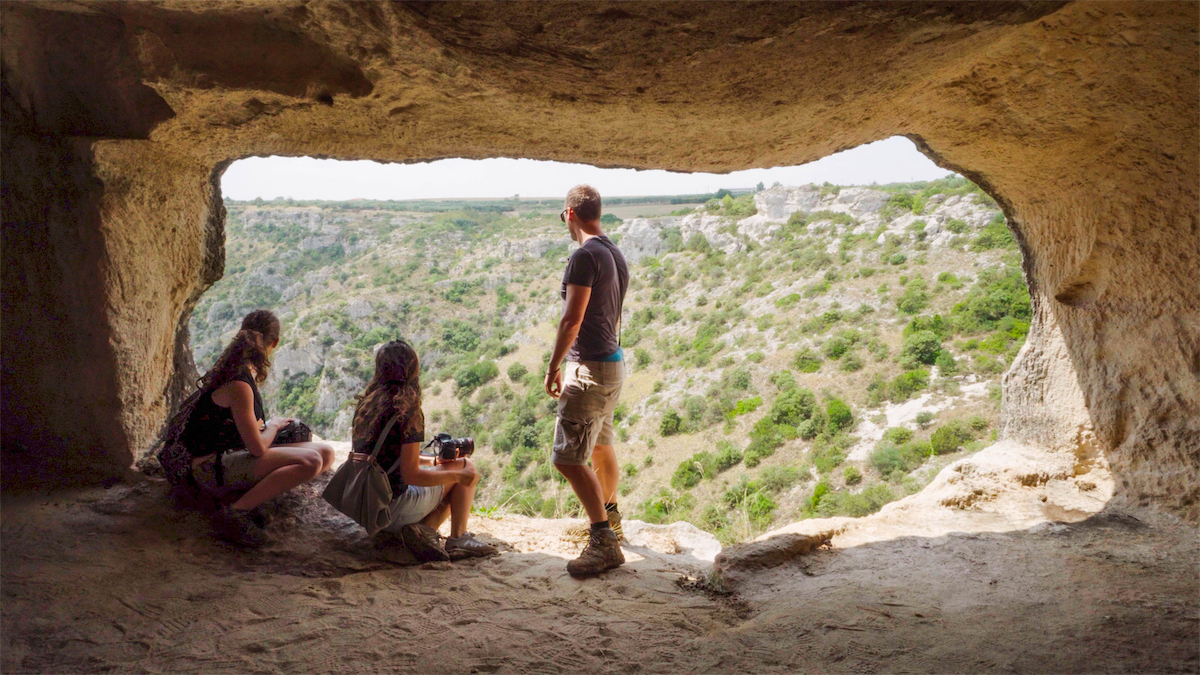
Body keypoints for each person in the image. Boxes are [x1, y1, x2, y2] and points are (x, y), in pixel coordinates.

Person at [181, 309, 336, 546]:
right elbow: (257, 448)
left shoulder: (237, 369)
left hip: (230, 454)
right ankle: (235, 512)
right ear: (274, 343)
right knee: (311, 462)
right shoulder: (239, 383)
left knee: (326, 453)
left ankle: (252, 493)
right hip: (210, 468)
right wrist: (273, 426)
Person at [544, 184, 630, 578]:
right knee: (600, 445)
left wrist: (554, 365)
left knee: (567, 458)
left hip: (590, 369)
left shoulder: (583, 256)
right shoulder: (613, 251)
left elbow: (572, 319)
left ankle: (603, 541)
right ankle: (611, 520)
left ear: (569, 215)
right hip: (613, 363)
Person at [351, 339, 496, 561]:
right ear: (412, 370)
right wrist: (459, 474)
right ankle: (458, 539)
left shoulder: (367, 405)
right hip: (392, 508)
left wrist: (434, 462)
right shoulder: (405, 410)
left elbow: (389, 458)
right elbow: (411, 475)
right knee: (467, 466)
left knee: (452, 470)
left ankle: (424, 531)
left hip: (366, 504)